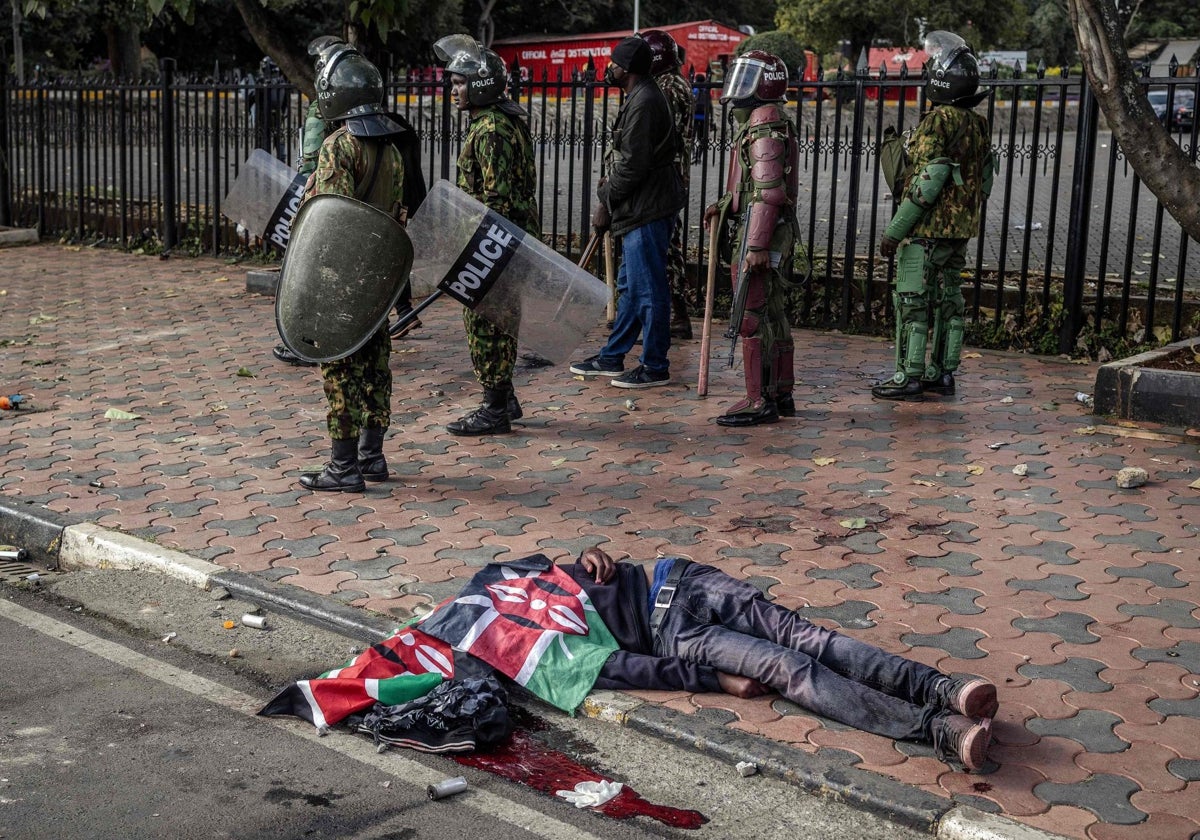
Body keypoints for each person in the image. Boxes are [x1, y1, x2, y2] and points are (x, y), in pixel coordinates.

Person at [561, 547, 998, 771]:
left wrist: (588, 553)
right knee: (792, 669)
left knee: (810, 639)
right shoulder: (520, 650)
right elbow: (619, 670)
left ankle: (942, 689)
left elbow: (583, 568)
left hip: (676, 577)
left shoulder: (517, 582)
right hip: (671, 636)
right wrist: (717, 681)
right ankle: (937, 729)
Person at [295, 41, 408, 492]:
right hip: (376, 276)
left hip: (343, 277)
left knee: (340, 367)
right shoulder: (392, 149)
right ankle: (372, 456)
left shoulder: (339, 146)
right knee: (376, 365)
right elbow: (396, 213)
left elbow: (330, 218)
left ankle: (342, 468)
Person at [872, 31, 994, 401]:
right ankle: (942, 373)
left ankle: (908, 375)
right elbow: (985, 180)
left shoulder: (937, 121)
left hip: (925, 231)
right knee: (950, 301)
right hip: (959, 231)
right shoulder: (977, 124)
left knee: (912, 302)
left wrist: (894, 232)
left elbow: (928, 180)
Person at [432, 35, 540, 436]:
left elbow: (497, 198)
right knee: (501, 321)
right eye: (452, 82)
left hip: (494, 242)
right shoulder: (501, 119)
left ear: (479, 84)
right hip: (503, 240)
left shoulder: (490, 128)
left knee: (486, 324)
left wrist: (479, 249)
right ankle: (504, 398)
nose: (453, 89)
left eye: (459, 82)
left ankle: (494, 408)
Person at [570, 37, 685, 389]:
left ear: (627, 69)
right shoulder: (640, 96)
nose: (608, 68)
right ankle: (612, 356)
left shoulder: (645, 102)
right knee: (631, 288)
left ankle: (655, 365)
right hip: (638, 209)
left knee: (647, 290)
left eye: (613, 62)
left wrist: (605, 199)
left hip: (645, 210)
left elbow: (633, 166)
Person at [703, 50, 800, 427]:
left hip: (762, 232)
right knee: (773, 311)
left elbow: (767, 191)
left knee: (751, 314)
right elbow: (752, 184)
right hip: (772, 230)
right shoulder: (770, 122)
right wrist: (724, 205)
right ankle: (781, 391)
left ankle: (758, 399)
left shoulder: (763, 127)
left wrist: (756, 244)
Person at [642, 29, 696, 341]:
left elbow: (661, 138)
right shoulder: (669, 84)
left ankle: (677, 313)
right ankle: (670, 313)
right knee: (665, 245)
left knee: (667, 247)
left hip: (666, 180)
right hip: (671, 178)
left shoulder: (669, 88)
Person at [247, 56, 289, 162]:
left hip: (272, 112)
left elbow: (251, 98)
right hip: (266, 113)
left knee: (276, 136)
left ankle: (276, 158)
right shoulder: (277, 81)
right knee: (269, 137)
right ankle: (273, 158)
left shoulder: (276, 81)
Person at [691, 73, 712, 165]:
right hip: (704, 117)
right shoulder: (706, 91)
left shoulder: (693, 89)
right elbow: (710, 106)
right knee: (701, 138)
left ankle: (694, 155)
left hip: (694, 117)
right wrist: (712, 119)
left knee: (692, 138)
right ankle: (699, 157)